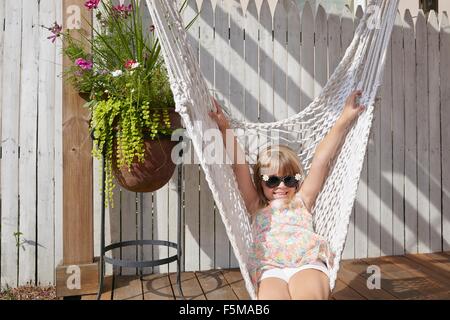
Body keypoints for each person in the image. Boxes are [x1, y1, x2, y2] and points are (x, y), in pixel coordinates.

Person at [208, 90, 365, 300]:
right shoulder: (255, 204)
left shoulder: (302, 199)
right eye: (272, 180)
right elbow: (239, 166)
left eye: (289, 179)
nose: (281, 186)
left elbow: (320, 160)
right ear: (260, 182)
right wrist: (224, 127)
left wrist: (345, 118)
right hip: (270, 268)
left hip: (306, 261)